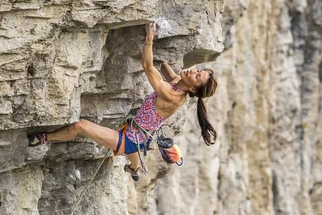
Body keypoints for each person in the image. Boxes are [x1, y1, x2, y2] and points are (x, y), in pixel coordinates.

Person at [28, 22, 218, 180]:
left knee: (80, 126)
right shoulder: (179, 84)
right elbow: (168, 72)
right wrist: (168, 63)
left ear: (193, 88)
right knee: (133, 148)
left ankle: (44, 138)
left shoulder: (172, 94)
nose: (193, 71)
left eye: (197, 76)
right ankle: (134, 169)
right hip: (139, 134)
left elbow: (147, 66)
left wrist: (150, 38)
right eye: (197, 71)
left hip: (129, 138)